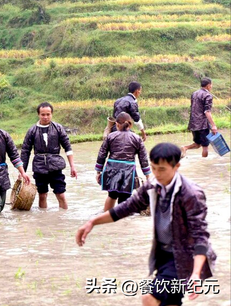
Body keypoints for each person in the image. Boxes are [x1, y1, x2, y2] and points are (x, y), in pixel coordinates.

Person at [77, 143, 217, 306]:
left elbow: (200, 236)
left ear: (176, 166)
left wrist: (195, 273)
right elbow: (127, 207)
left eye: (162, 169)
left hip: (185, 256)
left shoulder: (191, 194)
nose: (157, 174)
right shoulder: (152, 185)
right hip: (164, 254)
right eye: (154, 168)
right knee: (171, 302)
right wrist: (93, 221)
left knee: (149, 297)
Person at [21, 102, 77, 210]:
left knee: (60, 194)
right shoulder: (32, 131)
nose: (45, 117)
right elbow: (25, 152)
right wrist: (22, 172)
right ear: (38, 115)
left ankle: (63, 219)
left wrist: (72, 167)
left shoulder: (58, 128)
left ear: (52, 114)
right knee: (42, 195)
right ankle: (43, 221)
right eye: (43, 114)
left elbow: (68, 148)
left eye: (48, 114)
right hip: (39, 167)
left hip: (56, 167)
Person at [95, 112, 151, 212]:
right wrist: (148, 176)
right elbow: (143, 159)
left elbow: (101, 154)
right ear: (131, 124)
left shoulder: (111, 136)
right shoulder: (137, 138)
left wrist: (98, 172)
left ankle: (105, 219)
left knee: (112, 195)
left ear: (116, 124)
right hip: (128, 172)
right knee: (125, 199)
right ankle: (123, 223)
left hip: (112, 170)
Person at [181, 77, 217, 158]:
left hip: (193, 123)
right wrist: (213, 125)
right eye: (211, 85)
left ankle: (185, 148)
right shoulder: (208, 95)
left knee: (198, 144)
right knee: (205, 147)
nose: (211, 86)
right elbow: (207, 111)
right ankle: (205, 166)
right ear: (208, 86)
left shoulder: (194, 93)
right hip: (202, 125)